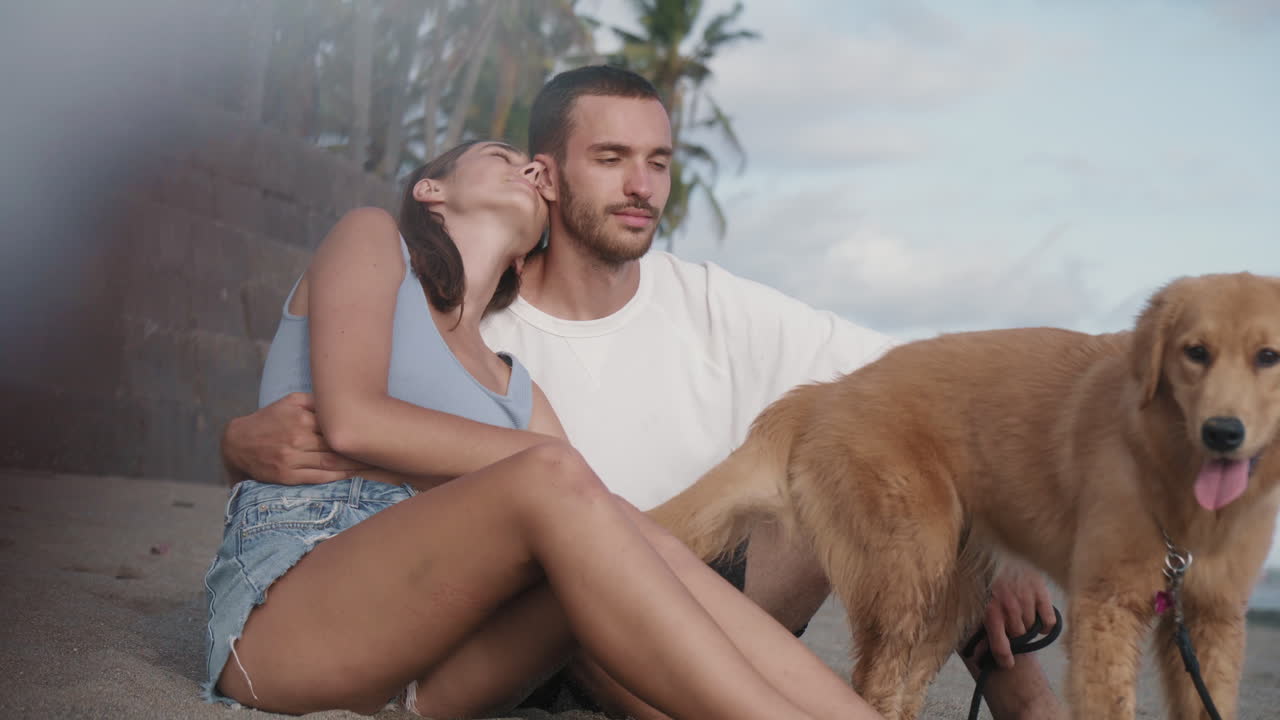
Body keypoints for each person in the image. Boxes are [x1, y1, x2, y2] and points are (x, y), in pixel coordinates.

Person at [222, 66, 1065, 719]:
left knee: (845, 445)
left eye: (658, 162)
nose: (642, 184)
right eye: (611, 159)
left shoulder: (512, 371)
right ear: (537, 179)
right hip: (398, 601)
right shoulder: (383, 252)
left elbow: (917, 387)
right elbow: (352, 412)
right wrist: (238, 443)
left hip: (503, 629)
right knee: (574, 492)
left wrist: (996, 533)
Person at [202, 139, 883, 720]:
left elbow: (606, 536)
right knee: (560, 479)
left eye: (534, 169)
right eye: (501, 157)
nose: (528, 170)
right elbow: (352, 419)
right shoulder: (374, 240)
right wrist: (530, 460)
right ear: (432, 190)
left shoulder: (514, 385)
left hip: (440, 673)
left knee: (619, 530)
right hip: (287, 616)